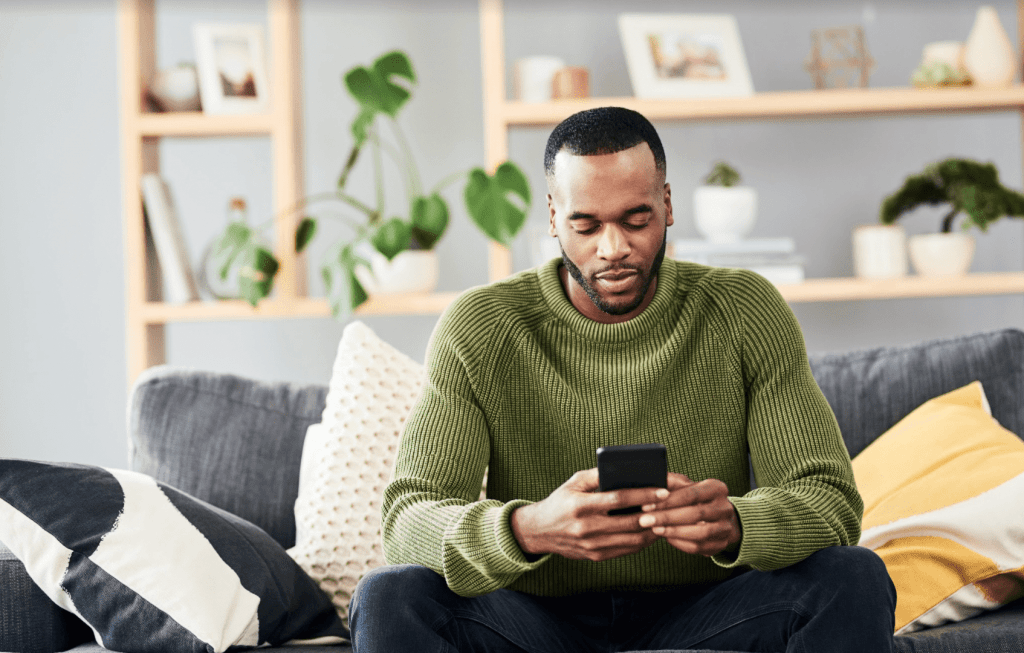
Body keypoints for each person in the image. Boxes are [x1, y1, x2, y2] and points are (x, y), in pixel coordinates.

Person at [349, 107, 896, 652]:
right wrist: (529, 529)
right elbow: (407, 519)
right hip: (532, 621)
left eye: (636, 220)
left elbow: (830, 502)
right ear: (553, 217)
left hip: (706, 613)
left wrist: (736, 522)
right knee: (389, 595)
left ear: (668, 204)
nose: (613, 249)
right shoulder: (481, 326)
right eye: (586, 225)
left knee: (854, 576)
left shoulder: (743, 309)